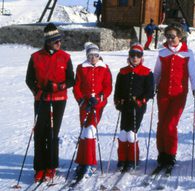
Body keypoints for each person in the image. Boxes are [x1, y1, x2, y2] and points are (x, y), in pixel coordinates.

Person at [26, 23, 75, 182]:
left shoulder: (65, 57)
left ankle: (51, 167)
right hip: (42, 99)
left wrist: (59, 86)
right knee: (40, 132)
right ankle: (40, 168)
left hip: (59, 100)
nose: (59, 43)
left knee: (52, 133)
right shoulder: (35, 57)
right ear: (47, 41)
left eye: (59, 40)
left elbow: (71, 80)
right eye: (55, 41)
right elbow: (29, 79)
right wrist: (37, 91)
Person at [154, 23, 195, 172]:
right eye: (167, 36)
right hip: (163, 93)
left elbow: (193, 73)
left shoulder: (187, 53)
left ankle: (171, 154)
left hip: (179, 94)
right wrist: (151, 87)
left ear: (180, 37)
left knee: (170, 125)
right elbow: (157, 73)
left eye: (172, 37)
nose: (169, 39)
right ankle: (162, 154)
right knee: (161, 124)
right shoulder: (162, 53)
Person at [73, 42, 112, 178]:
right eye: (90, 56)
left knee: (90, 131)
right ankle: (81, 162)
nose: (93, 58)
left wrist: (100, 98)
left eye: (96, 55)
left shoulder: (104, 68)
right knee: (84, 132)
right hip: (85, 104)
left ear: (99, 56)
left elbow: (108, 87)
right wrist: (82, 100)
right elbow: (76, 86)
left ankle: (90, 163)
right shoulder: (81, 68)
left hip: (97, 105)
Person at [114, 43, 154, 172]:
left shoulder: (147, 72)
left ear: (141, 57)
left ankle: (132, 159)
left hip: (137, 107)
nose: (135, 58)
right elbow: (118, 89)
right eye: (132, 55)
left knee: (131, 133)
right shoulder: (123, 72)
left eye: (138, 55)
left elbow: (149, 91)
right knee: (123, 133)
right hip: (125, 106)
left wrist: (141, 101)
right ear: (129, 56)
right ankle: (122, 158)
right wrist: (117, 101)